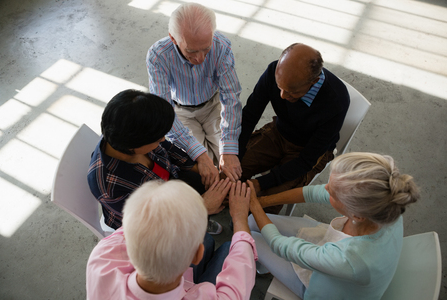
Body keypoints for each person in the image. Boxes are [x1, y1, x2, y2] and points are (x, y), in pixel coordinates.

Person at [247, 152, 420, 299]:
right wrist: (262, 201)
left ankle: (263, 266)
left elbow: (281, 246)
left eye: (333, 193)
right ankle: (265, 265)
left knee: (250, 237)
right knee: (252, 221)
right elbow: (315, 192)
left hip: (323, 290)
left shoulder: (350, 259)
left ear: (357, 215)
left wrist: (253, 206)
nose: (325, 188)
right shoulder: (387, 205)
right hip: (340, 261)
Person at [86, 179, 257, 300]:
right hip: (190, 287)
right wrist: (240, 217)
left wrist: (199, 208)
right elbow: (242, 269)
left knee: (207, 241)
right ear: (197, 255)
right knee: (228, 248)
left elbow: (141, 223)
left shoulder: (102, 257)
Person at [87, 89, 228, 234]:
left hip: (167, 184)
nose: (162, 140)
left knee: (205, 180)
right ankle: (198, 222)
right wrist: (201, 207)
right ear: (134, 145)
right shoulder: (109, 187)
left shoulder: (131, 134)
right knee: (204, 244)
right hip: (150, 223)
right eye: (158, 138)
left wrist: (202, 168)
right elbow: (152, 224)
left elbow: (170, 150)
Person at [238, 43, 350, 213]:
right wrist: (235, 156)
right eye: (279, 87)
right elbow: (249, 116)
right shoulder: (273, 70)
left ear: (313, 82)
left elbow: (306, 160)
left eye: (291, 92)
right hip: (279, 132)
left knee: (266, 204)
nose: (282, 95)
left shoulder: (336, 102)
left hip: (309, 151)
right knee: (231, 173)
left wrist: (261, 183)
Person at [147, 2, 243, 187]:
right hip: (179, 111)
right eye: (191, 51)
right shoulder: (158, 56)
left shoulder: (221, 46)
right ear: (173, 39)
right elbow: (164, 111)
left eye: (206, 48)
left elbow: (231, 96)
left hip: (213, 104)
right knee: (203, 172)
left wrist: (229, 149)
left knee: (231, 166)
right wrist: (200, 155)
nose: (200, 59)